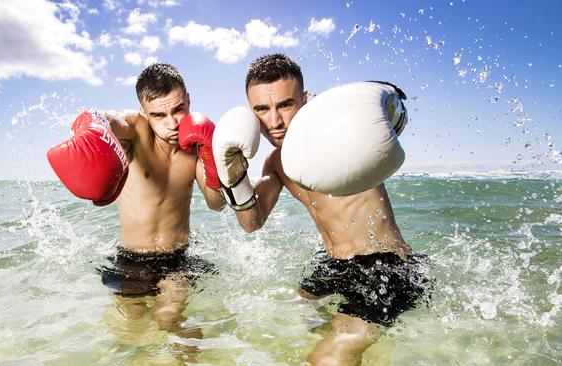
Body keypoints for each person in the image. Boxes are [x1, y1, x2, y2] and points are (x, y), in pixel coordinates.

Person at [213, 54, 429, 365]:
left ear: (304, 100)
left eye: (285, 105)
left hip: (385, 266)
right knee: (303, 311)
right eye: (262, 109)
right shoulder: (275, 163)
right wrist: (235, 180)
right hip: (335, 266)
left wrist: (393, 103)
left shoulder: (338, 130)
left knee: (326, 358)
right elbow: (252, 223)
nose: (274, 121)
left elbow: (378, 113)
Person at [47, 63, 225, 358]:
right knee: (132, 328)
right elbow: (108, 118)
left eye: (178, 109)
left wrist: (211, 158)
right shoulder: (136, 130)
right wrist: (93, 124)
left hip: (177, 257)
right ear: (144, 111)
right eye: (158, 114)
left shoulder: (196, 143)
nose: (171, 123)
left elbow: (215, 204)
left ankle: (186, 352)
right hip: (131, 258)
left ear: (189, 100)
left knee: (169, 318)